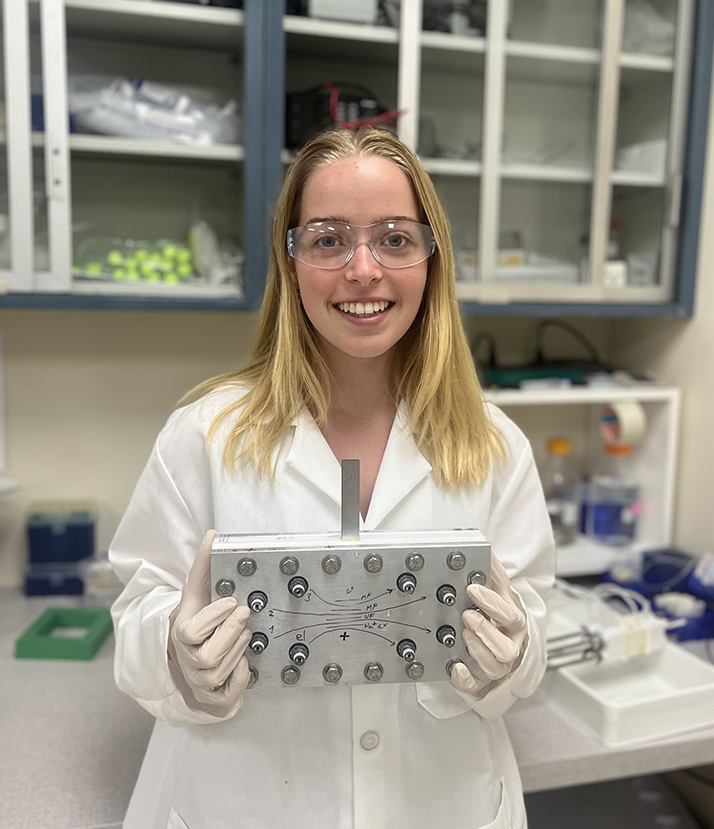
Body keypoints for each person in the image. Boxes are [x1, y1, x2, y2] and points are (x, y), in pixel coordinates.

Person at [110, 127, 554, 829]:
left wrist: (516, 655)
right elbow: (135, 613)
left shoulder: (496, 446)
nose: (363, 269)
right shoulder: (201, 437)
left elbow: (535, 617)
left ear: (432, 260)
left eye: (395, 239)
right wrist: (174, 651)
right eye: (327, 239)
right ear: (290, 263)